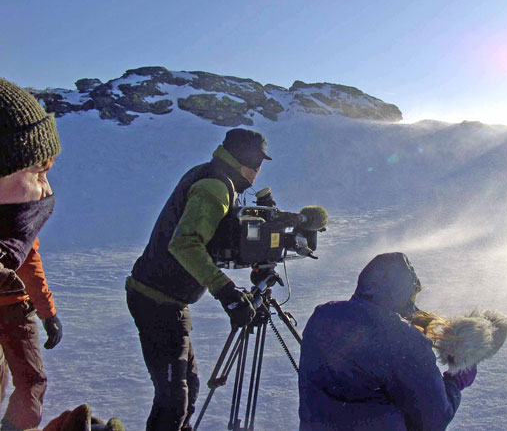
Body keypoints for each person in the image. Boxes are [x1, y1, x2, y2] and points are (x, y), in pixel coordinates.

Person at [126, 127, 272, 431]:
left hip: (164, 299)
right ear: (248, 161)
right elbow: (185, 244)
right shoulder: (216, 187)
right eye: (259, 164)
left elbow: (209, 242)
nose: (258, 173)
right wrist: (228, 293)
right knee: (173, 400)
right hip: (158, 300)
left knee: (187, 388)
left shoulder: (210, 174)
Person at [298, 252, 477, 431]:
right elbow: (433, 420)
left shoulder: (323, 317)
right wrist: (454, 383)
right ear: (404, 293)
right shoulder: (404, 340)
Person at [0, 78, 63, 431]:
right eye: (39, 172)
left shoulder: (11, 246)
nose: (47, 192)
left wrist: (47, 311)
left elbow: (29, 260)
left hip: (13, 306)